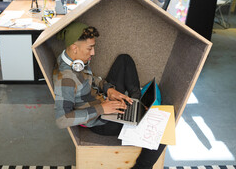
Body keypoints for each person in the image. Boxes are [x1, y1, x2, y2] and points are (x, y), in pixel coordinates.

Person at [53, 22, 165, 169]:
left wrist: (108, 89)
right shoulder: (66, 79)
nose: (93, 52)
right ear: (75, 48)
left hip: (102, 99)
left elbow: (91, 79)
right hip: (100, 120)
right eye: (90, 48)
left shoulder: (77, 61)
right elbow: (62, 119)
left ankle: (135, 104)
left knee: (124, 59)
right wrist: (102, 109)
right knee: (162, 131)